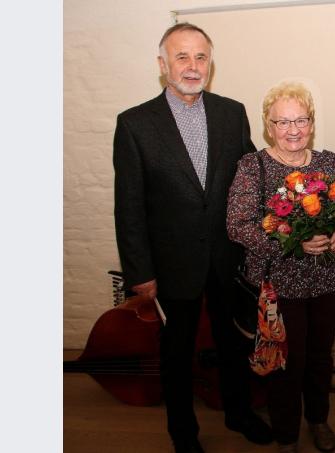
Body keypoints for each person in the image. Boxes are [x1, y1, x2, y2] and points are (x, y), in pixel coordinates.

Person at [113, 23, 272, 453]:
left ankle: (239, 414)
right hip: (171, 265)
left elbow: (249, 183)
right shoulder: (134, 125)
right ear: (162, 64)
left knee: (234, 343)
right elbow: (128, 207)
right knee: (177, 354)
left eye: (200, 56)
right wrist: (140, 273)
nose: (192, 65)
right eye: (181, 56)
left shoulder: (231, 112)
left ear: (211, 64)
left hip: (228, 257)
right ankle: (183, 433)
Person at [227, 82, 335, 453]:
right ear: (268, 125)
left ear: (312, 123)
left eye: (300, 120)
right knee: (286, 363)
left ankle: (318, 419)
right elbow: (238, 224)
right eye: (282, 122)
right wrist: (293, 242)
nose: (293, 129)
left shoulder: (327, 162)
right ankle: (286, 435)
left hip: (326, 281)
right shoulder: (255, 166)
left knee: (319, 357)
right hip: (278, 288)